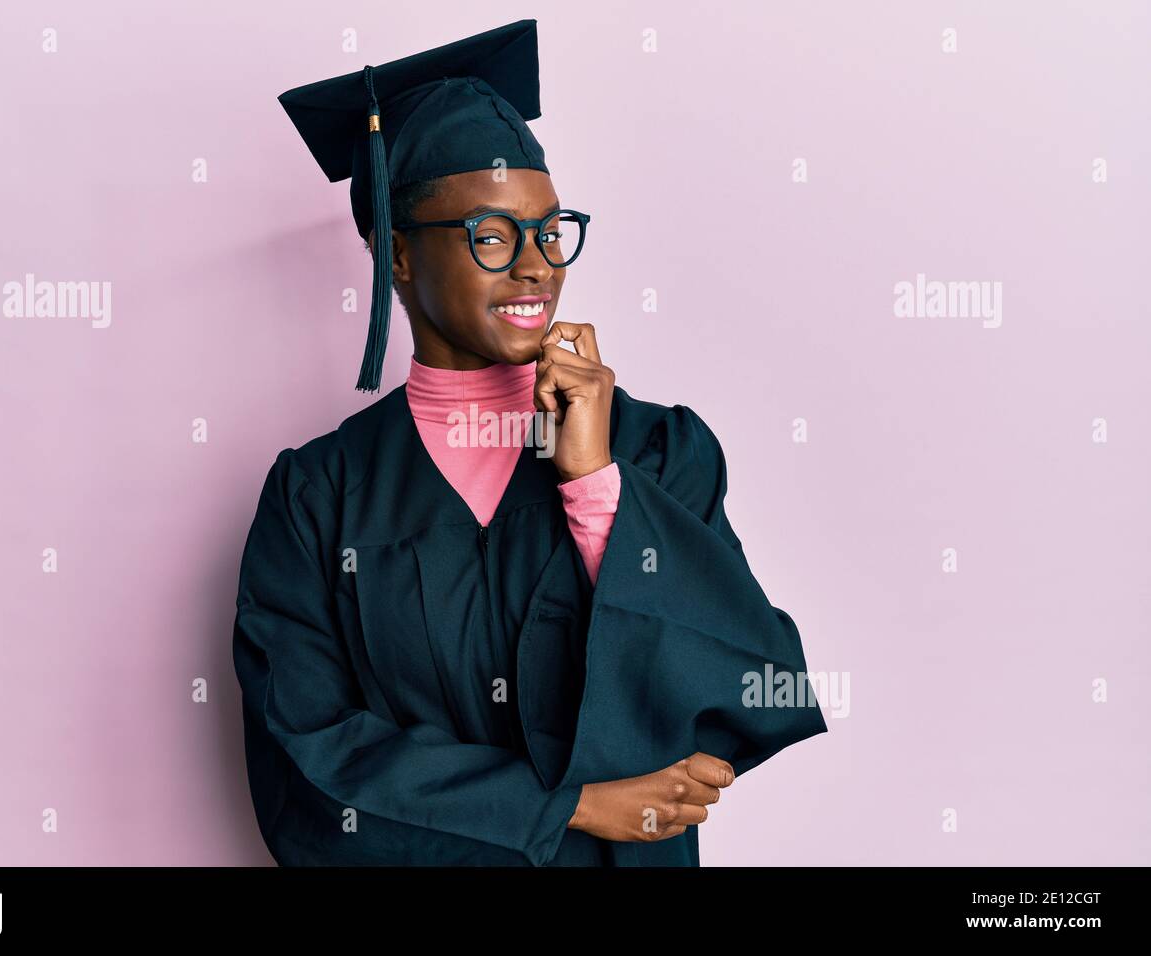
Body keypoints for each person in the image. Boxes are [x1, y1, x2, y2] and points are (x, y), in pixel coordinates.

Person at [231, 19, 827, 866]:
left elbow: (741, 692)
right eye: (490, 235)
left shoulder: (655, 450)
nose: (538, 266)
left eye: (551, 232)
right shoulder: (318, 495)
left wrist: (593, 485)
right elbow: (306, 753)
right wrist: (565, 808)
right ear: (395, 255)